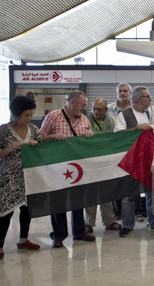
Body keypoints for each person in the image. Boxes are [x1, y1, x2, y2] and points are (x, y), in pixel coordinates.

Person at [0, 95, 42, 265]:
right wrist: (10, 149)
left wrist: (35, 144)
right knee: (6, 212)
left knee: (26, 209)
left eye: (30, 115)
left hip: (28, 176)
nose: (29, 118)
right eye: (26, 115)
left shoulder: (33, 128)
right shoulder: (2, 131)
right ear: (15, 114)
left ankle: (23, 239)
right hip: (9, 177)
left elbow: (41, 145)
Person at [39, 90, 95, 248]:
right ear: (72, 103)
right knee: (58, 202)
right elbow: (38, 139)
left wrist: (90, 136)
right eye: (83, 105)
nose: (84, 108)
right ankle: (58, 235)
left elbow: (87, 145)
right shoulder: (53, 116)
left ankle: (79, 232)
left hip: (78, 167)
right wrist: (52, 137)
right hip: (58, 168)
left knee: (78, 202)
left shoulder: (85, 120)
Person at [114, 86, 154, 236]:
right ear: (139, 99)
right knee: (128, 196)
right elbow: (118, 135)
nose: (150, 99)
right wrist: (136, 129)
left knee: (151, 193)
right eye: (148, 96)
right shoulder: (124, 115)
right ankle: (127, 224)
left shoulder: (150, 114)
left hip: (148, 160)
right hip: (131, 161)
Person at [83, 98, 122, 234]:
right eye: (93, 108)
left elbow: (119, 139)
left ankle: (109, 221)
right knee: (90, 194)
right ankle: (88, 223)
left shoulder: (113, 122)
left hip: (107, 164)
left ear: (106, 110)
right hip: (89, 164)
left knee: (107, 194)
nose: (95, 112)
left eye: (99, 109)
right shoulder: (84, 121)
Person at [108, 82, 132, 221]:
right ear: (116, 93)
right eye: (120, 91)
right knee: (115, 182)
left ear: (130, 93)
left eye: (125, 91)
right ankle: (117, 212)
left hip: (130, 150)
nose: (122, 93)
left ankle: (135, 212)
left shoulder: (134, 109)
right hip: (114, 150)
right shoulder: (109, 109)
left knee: (131, 182)